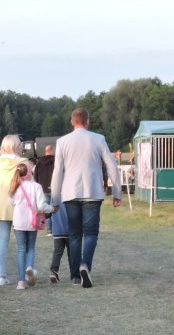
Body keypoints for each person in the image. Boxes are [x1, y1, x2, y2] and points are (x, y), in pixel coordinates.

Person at [50, 108, 121, 289]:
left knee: (74, 235)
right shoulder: (98, 139)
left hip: (70, 193)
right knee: (91, 233)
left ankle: (74, 276)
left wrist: (55, 200)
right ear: (87, 121)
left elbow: (57, 172)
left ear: (72, 122)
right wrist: (117, 193)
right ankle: (85, 265)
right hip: (92, 192)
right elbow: (112, 166)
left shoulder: (62, 142)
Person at [0, 135, 31, 286]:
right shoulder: (24, 163)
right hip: (19, 207)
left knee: (1, 242)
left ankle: (1, 276)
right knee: (22, 245)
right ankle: (22, 276)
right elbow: (30, 186)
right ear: (18, 146)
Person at [9, 163, 54, 290]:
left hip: (18, 221)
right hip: (32, 221)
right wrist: (51, 209)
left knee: (20, 249)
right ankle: (29, 266)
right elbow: (41, 206)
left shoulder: (14, 186)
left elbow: (11, 201)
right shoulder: (36, 186)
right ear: (29, 174)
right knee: (30, 247)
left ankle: (21, 282)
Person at [48, 202, 71, 283]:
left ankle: (53, 271)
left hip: (57, 229)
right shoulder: (70, 196)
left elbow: (49, 211)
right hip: (71, 229)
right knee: (72, 253)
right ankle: (74, 273)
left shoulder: (54, 197)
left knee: (57, 252)